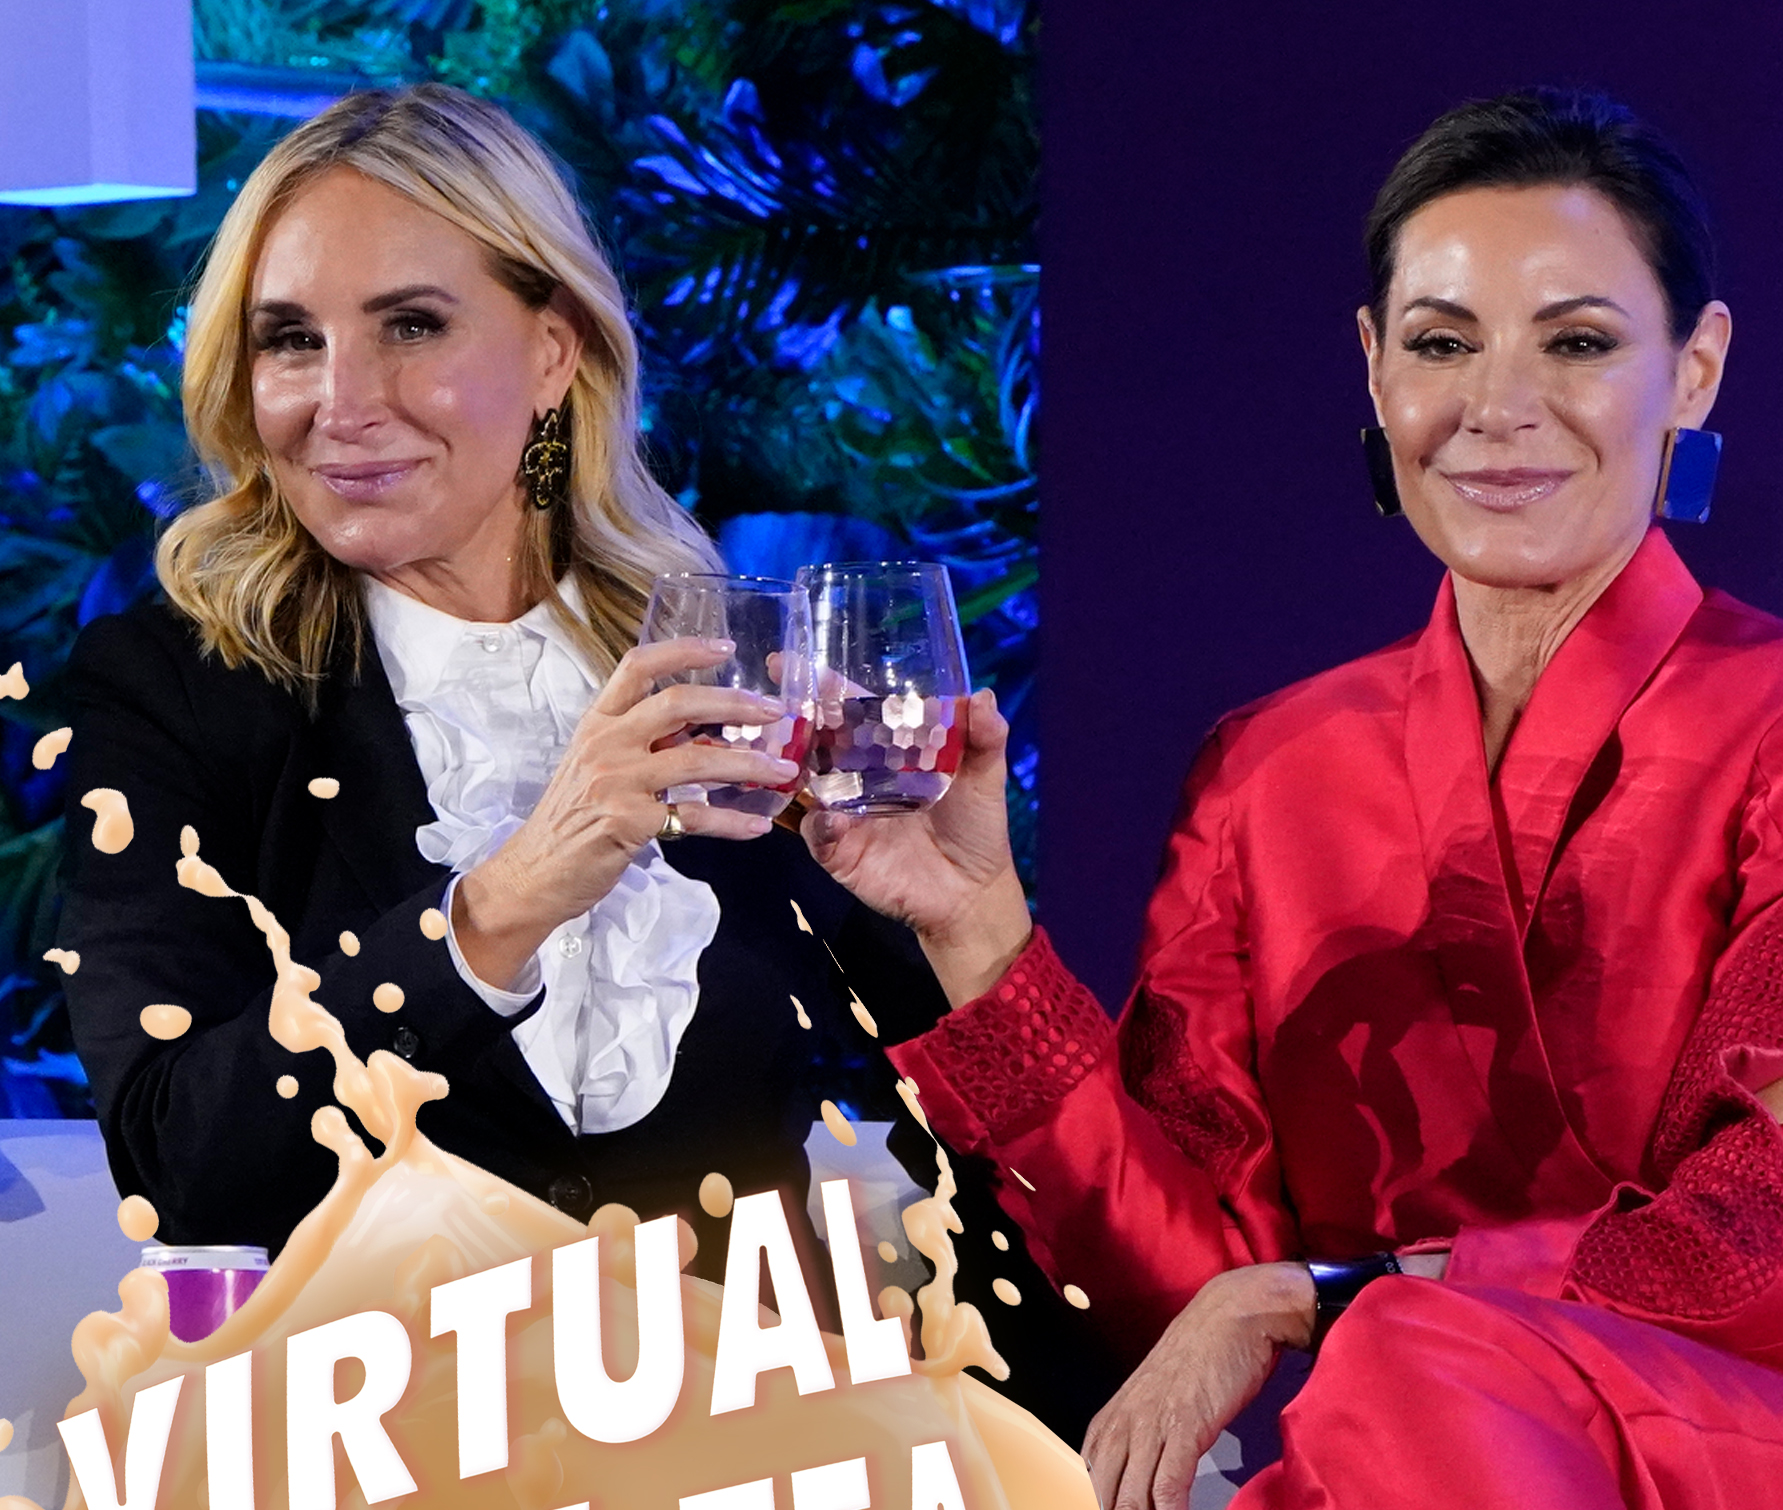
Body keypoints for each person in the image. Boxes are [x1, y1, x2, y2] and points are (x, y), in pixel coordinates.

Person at [812, 88, 1783, 1510]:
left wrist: (1359, 1294)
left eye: (1579, 342)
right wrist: (981, 936)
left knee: (1355, 1452)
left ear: (1695, 370)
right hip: (1466, 1459)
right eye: (1443, 344)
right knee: (1347, 1461)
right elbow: (1197, 1270)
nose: (1498, 405)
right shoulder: (1271, 770)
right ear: (1373, 371)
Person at [53, 84, 1098, 1435]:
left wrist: (976, 931)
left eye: (411, 326)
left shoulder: (735, 674)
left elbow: (1011, 1155)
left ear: (555, 350)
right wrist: (500, 907)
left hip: (754, 1495)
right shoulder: (173, 695)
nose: (340, 402)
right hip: (376, 1505)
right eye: (291, 340)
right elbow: (181, 1168)